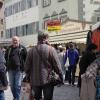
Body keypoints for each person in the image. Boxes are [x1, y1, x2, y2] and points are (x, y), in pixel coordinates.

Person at [24, 31, 63, 100]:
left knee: (37, 98)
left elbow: (26, 67)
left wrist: (28, 77)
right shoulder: (51, 49)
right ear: (46, 38)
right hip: (48, 79)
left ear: (38, 39)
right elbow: (57, 65)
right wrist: (60, 76)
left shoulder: (31, 50)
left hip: (34, 80)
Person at [5, 36, 27, 100]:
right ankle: (15, 97)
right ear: (11, 41)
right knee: (12, 86)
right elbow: (5, 58)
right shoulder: (9, 49)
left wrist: (26, 69)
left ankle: (17, 98)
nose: (15, 41)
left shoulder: (23, 48)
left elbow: (26, 59)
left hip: (19, 70)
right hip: (10, 70)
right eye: (13, 40)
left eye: (16, 40)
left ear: (19, 41)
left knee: (17, 85)